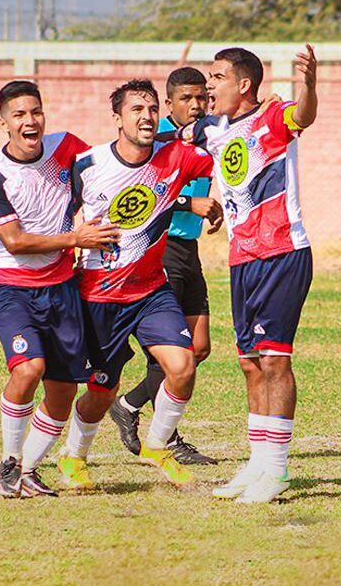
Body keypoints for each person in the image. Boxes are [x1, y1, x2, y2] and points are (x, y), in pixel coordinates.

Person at [58, 78, 218, 490]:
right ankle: (73, 456)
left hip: (151, 289)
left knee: (183, 365)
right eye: (136, 110)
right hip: (100, 292)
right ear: (117, 119)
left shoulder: (177, 156)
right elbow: (59, 214)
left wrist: (210, 203)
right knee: (101, 391)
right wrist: (73, 239)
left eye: (150, 109)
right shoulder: (87, 165)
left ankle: (158, 445)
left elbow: (222, 151)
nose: (146, 117)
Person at [181, 45, 318, 503]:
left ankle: (275, 472)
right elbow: (170, 147)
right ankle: (257, 465)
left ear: (243, 84)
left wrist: (309, 84)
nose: (209, 86)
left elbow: (305, 114)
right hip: (242, 257)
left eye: (217, 77)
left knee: (275, 359)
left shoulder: (274, 116)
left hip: (282, 252)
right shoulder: (212, 128)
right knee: (249, 361)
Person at [0, 80, 118, 498]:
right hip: (15, 291)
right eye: (19, 115)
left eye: (35, 112)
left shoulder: (67, 147)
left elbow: (109, 169)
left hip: (63, 289)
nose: (29, 120)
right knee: (28, 368)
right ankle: (9, 463)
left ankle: (30, 469)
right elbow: (15, 241)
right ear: (3, 123)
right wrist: (77, 238)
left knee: (63, 391)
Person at [110, 66, 221, 465]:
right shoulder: (156, 142)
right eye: (187, 99)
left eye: (202, 98)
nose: (196, 105)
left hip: (188, 249)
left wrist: (213, 209)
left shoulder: (207, 136)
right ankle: (168, 439)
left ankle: (129, 403)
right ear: (169, 102)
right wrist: (188, 204)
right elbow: (140, 193)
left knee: (200, 347)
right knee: (170, 351)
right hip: (162, 248)